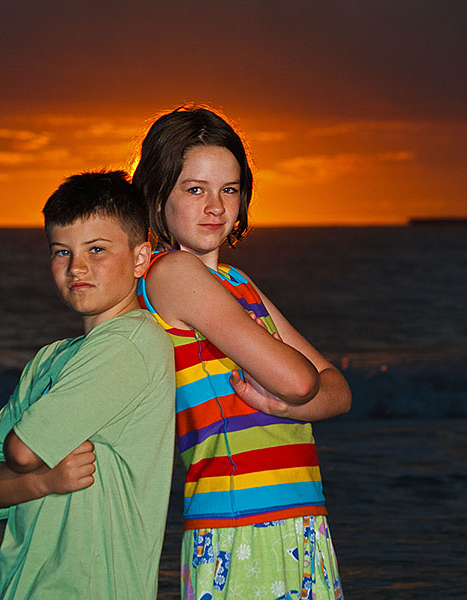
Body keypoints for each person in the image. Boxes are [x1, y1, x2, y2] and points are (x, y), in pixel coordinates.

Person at [133, 105, 352, 599]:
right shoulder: (172, 274)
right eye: (195, 189)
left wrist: (282, 403)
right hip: (239, 528)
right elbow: (302, 379)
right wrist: (294, 393)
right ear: (157, 194)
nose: (215, 207)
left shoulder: (236, 282)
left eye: (228, 190)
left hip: (302, 520)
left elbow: (337, 389)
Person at [0, 170, 176, 600]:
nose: (76, 267)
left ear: (140, 258)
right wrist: (43, 482)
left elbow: (21, 450)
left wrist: (28, 465)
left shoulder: (133, 343)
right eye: (62, 251)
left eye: (97, 249)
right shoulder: (49, 359)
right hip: (18, 587)